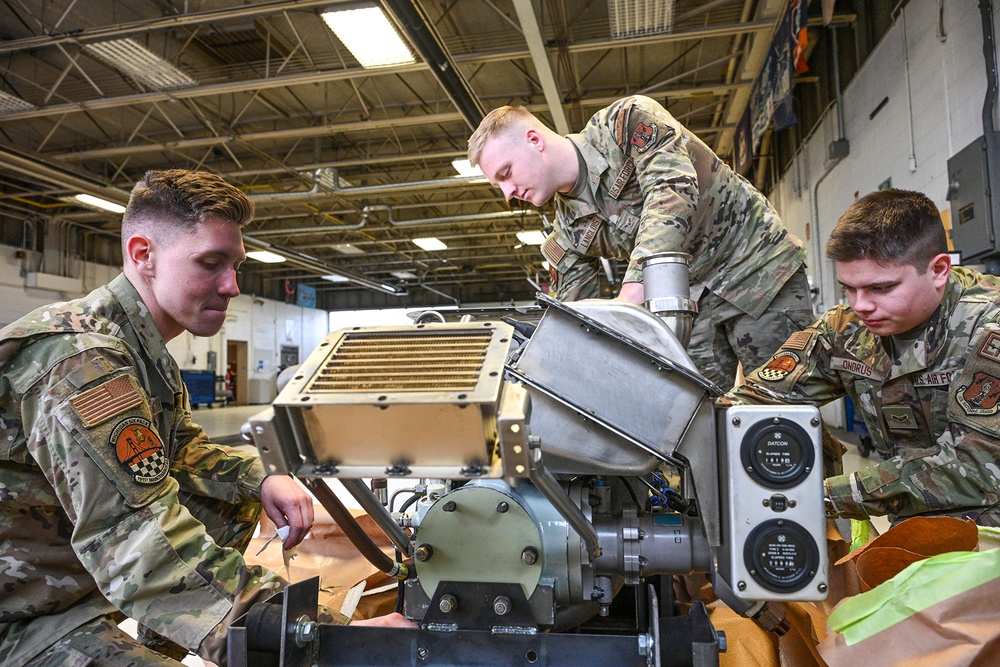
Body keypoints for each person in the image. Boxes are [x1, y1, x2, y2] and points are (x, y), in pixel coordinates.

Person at [0, 169, 409, 667]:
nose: (232, 285)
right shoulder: (83, 361)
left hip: (56, 595)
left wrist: (261, 478)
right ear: (142, 255)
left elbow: (177, 450)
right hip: (19, 620)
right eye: (211, 264)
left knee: (227, 494)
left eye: (235, 264)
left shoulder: (138, 347)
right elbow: (138, 537)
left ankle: (183, 636)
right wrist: (327, 640)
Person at [468, 95, 813, 388]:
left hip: (756, 267)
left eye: (506, 173)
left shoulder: (627, 124)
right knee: (699, 422)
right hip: (688, 302)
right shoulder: (567, 233)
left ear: (534, 139)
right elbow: (574, 323)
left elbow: (672, 188)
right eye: (498, 186)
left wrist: (632, 295)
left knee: (784, 410)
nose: (508, 194)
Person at [729, 188, 1000, 526]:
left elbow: (975, 467)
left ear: (939, 270)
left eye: (881, 288)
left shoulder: (989, 325)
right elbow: (755, 400)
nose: (861, 305)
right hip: (914, 525)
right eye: (849, 288)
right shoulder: (844, 328)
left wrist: (820, 497)